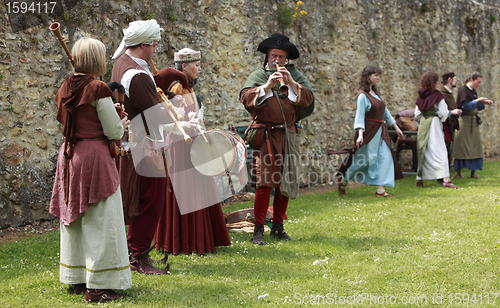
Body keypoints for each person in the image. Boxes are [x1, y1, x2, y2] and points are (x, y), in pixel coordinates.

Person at [49, 37, 132, 302]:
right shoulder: (97, 88)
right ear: (97, 60)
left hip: (70, 155)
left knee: (73, 218)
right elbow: (113, 130)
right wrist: (122, 122)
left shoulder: (65, 87)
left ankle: (76, 279)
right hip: (94, 155)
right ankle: (97, 285)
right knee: (100, 220)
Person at [153, 48, 231, 255]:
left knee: (197, 188)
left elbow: (195, 116)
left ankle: (199, 238)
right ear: (184, 67)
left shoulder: (189, 88)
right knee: (185, 189)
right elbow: (167, 121)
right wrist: (187, 124)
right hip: (180, 146)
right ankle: (185, 241)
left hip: (192, 143)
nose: (200, 68)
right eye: (196, 65)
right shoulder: (176, 88)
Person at [240, 33, 314, 245]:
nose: (277, 61)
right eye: (274, 56)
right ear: (267, 56)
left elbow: (309, 100)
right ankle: (258, 230)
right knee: (265, 183)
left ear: (287, 58)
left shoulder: (295, 75)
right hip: (267, 136)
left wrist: (290, 82)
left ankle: (279, 228)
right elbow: (246, 97)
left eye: (281, 57)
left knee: (285, 182)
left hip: (288, 135)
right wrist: (266, 87)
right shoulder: (259, 75)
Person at [111, 19, 169, 274]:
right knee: (150, 201)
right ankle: (138, 256)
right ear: (144, 44)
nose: (156, 49)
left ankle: (134, 251)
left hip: (131, 143)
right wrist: (176, 107)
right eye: (154, 44)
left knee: (139, 200)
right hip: (144, 146)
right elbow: (154, 118)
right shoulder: (137, 76)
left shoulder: (121, 63)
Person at [338, 65, 403, 197]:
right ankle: (344, 179)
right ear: (368, 77)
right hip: (369, 132)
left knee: (386, 158)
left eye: (379, 75)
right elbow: (360, 116)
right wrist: (360, 135)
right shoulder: (362, 96)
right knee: (366, 160)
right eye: (375, 75)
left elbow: (385, 112)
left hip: (381, 131)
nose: (378, 78)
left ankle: (380, 191)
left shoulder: (376, 94)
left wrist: (396, 127)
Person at [415, 71, 461, 189]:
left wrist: (423, 121)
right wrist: (440, 118)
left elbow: (417, 114)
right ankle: (446, 179)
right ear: (434, 82)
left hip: (424, 124)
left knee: (424, 150)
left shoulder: (421, 96)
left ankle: (420, 179)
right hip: (434, 124)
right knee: (440, 151)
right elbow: (443, 113)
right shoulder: (438, 96)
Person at [452, 72, 493, 179]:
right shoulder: (463, 90)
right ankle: (458, 173)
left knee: (475, 147)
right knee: (461, 147)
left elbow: (475, 106)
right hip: (464, 122)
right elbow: (465, 106)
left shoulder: (473, 91)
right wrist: (478, 100)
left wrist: (484, 102)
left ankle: (473, 173)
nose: (479, 84)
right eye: (477, 82)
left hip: (473, 122)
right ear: (471, 79)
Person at [436, 71, 459, 166]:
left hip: (449, 124)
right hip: (443, 125)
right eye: (455, 79)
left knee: (448, 145)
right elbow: (439, 111)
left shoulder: (448, 92)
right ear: (449, 79)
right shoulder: (441, 93)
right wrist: (452, 112)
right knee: (445, 146)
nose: (456, 81)